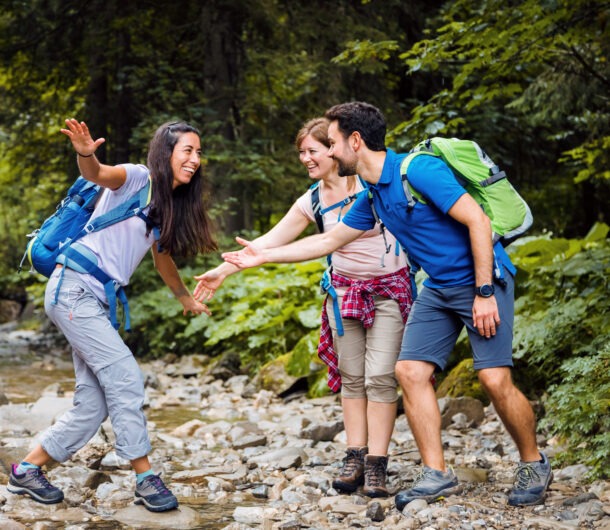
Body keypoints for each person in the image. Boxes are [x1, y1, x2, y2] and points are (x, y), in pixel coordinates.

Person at [222, 102, 553, 509]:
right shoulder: (374, 195)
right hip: (438, 287)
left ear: (355, 141)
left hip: (482, 280)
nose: (328, 150)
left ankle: (533, 462)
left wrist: (484, 292)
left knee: (494, 381)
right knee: (409, 372)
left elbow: (478, 222)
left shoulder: (416, 172)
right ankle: (437, 474)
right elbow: (328, 241)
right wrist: (262, 256)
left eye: (332, 142)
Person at [193, 117, 412, 498]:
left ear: (334, 149)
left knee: (380, 377)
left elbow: (317, 245)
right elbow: (267, 241)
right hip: (342, 294)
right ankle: (355, 456)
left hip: (388, 291)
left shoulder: (370, 185)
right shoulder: (311, 199)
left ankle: (378, 463)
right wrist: (223, 271)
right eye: (301, 153)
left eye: (312, 151)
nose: (305, 159)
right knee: (351, 377)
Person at [8, 118, 217, 512]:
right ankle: (144, 476)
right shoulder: (137, 178)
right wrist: (87, 153)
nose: (194, 159)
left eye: (198, 152)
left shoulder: (164, 204)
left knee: (93, 405)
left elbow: (163, 261)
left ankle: (27, 470)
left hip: (93, 298)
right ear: (165, 153)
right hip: (74, 288)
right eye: (187, 150)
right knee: (124, 375)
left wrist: (186, 298)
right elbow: (100, 173)